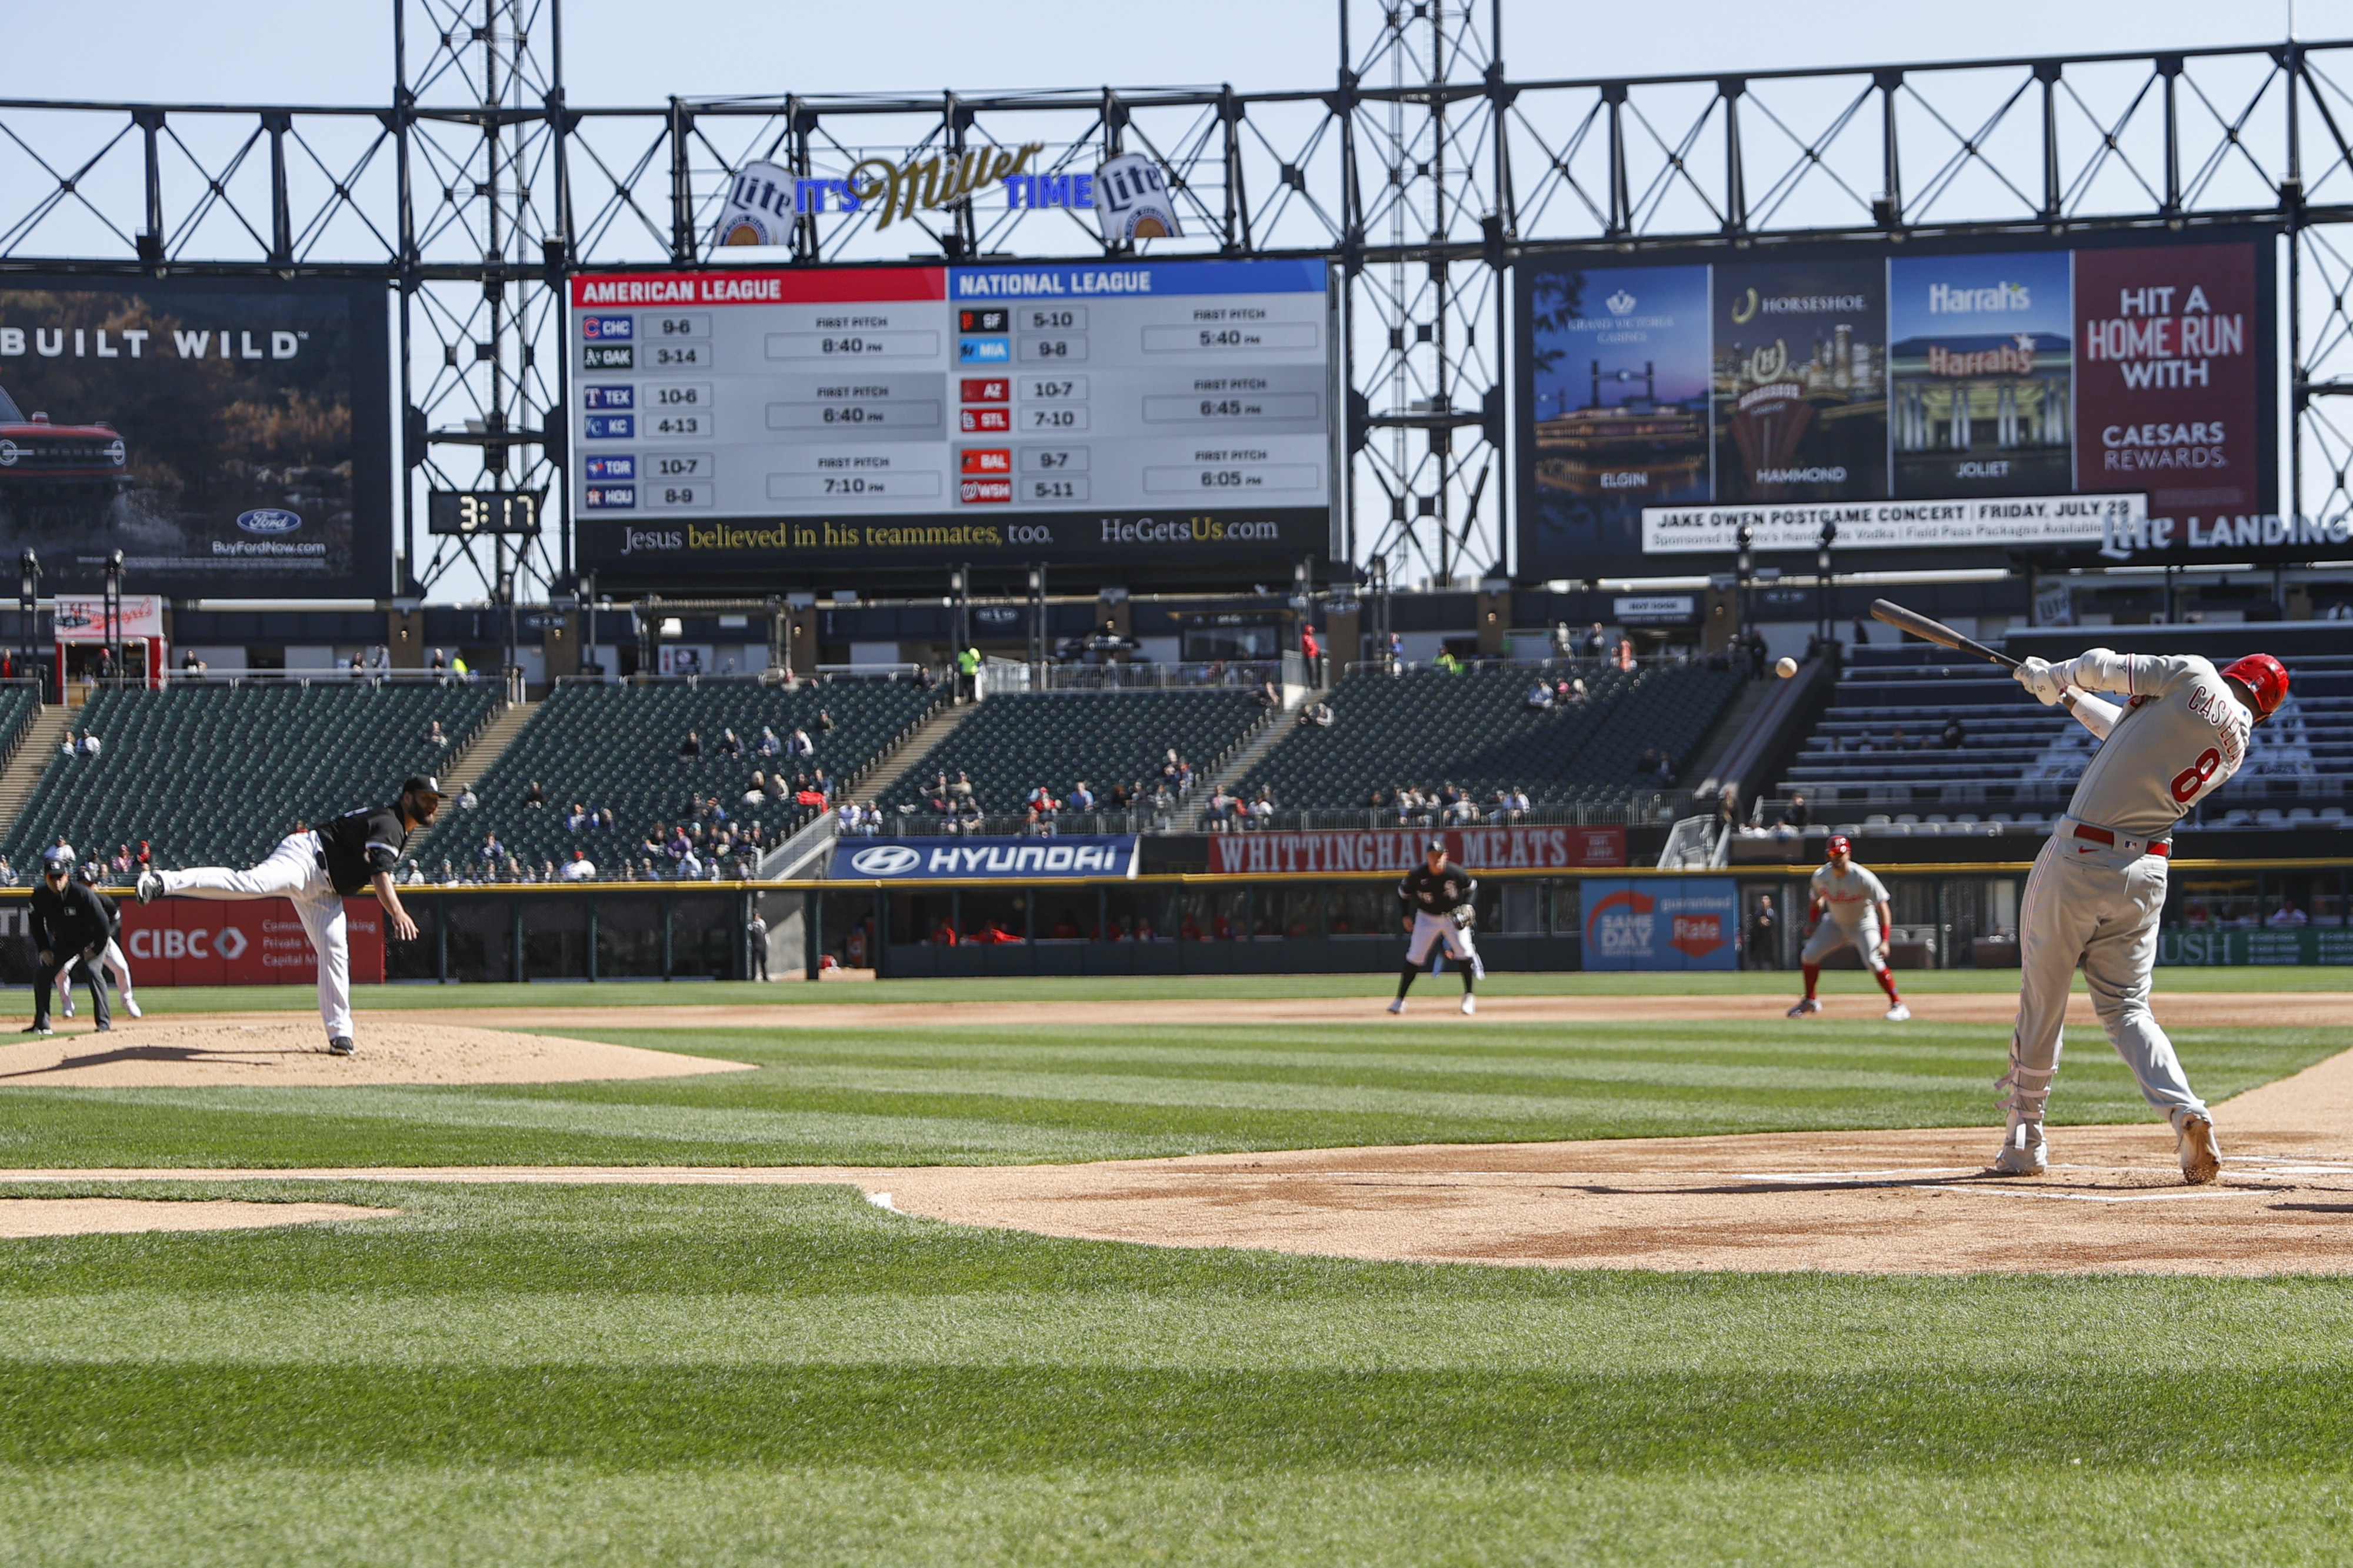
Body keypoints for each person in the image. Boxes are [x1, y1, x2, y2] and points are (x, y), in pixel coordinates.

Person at [1996, 648, 2290, 1182]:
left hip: (2079, 856)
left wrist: (2058, 674)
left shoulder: (2196, 673)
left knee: (2043, 998)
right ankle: (2185, 1111)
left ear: (2235, 672)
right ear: (2264, 710)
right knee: (2128, 1009)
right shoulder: (2235, 748)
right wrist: (2064, 695)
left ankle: (2024, 1145)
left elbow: (2104, 665)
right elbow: (2129, 737)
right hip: (2146, 872)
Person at [138, 775, 441, 1056]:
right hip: (305, 860)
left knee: (336, 951)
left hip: (327, 890)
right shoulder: (391, 825)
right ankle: (163, 881)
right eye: (427, 798)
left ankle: (340, 1034)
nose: (432, 804)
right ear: (406, 798)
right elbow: (380, 874)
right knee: (250, 883)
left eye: (435, 799)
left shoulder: (396, 827)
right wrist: (398, 912)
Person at [1787, 834, 1908, 1022]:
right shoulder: (1821, 876)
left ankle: (1898, 1005)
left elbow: (1883, 908)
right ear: (1828, 856)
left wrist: (1885, 940)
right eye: (1833, 854)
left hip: (1863, 924)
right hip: (1835, 924)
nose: (1837, 858)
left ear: (1848, 855)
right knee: (1809, 955)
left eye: (1841, 854)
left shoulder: (1863, 877)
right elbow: (1815, 899)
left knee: (1873, 961)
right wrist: (1812, 922)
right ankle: (1811, 1001)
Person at [25, 848, 116, 1035]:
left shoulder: (82, 893)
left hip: (92, 940)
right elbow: (36, 925)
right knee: (42, 974)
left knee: (92, 971)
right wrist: (44, 949)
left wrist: (96, 948)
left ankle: (104, 1024)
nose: (57, 881)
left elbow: (104, 925)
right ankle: (42, 1024)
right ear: (45, 878)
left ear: (67, 877)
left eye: (60, 877)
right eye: (52, 877)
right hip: (66, 942)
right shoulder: (40, 896)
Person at [1389, 838, 1481, 1016]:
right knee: (1415, 956)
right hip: (1427, 917)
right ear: (1427, 857)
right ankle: (1399, 1000)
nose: (1436, 859)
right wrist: (1406, 915)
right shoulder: (1418, 875)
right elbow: (1403, 893)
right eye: (1432, 856)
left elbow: (1472, 887)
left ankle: (1469, 996)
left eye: (1439, 855)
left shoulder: (1455, 872)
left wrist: (1468, 906)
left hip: (1453, 916)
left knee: (1464, 951)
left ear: (1446, 856)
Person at [55, 864, 140, 1021]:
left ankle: (128, 1001)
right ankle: (67, 1004)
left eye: (89, 884)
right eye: (82, 884)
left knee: (121, 968)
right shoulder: (68, 902)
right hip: (75, 942)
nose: (86, 888)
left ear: (95, 885)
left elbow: (116, 919)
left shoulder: (102, 900)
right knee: (61, 972)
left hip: (100, 941)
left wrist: (106, 936)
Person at [1747, 894, 1779, 970]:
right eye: (1762, 900)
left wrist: (1768, 923)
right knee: (1760, 955)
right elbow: (1754, 924)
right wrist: (1759, 922)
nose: (1763, 902)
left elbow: (1776, 924)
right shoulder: (1758, 913)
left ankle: (1774, 968)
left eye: (1765, 900)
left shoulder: (1772, 912)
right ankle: (1759, 968)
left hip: (1770, 938)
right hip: (1760, 939)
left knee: (1772, 955)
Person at [748, 908, 770, 980]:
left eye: (756, 915)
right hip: (755, 945)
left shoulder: (762, 923)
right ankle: (753, 977)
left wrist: (767, 942)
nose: (755, 917)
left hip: (762, 945)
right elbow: (749, 936)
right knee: (754, 962)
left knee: (763, 961)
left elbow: (766, 933)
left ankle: (765, 976)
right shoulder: (750, 925)